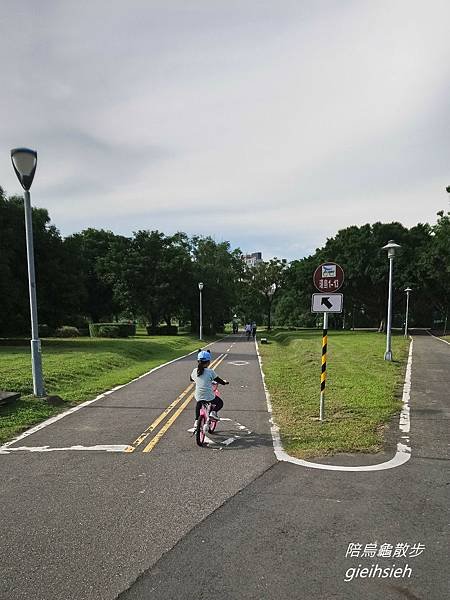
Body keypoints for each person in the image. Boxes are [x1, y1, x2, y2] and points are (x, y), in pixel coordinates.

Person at [190, 350, 229, 429]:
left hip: (198, 395)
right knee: (220, 403)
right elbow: (219, 380)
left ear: (198, 361)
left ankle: (197, 420)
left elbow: (191, 379)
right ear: (208, 362)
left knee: (199, 402)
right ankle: (213, 413)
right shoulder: (210, 372)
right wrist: (224, 383)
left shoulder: (195, 371)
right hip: (209, 396)